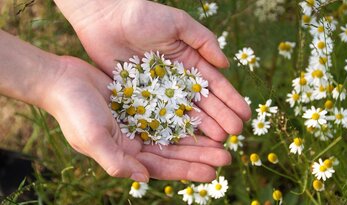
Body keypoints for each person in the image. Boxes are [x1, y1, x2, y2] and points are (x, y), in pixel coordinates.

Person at [0, 0, 251, 182]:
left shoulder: (157, 95)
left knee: (24, 177)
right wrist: (49, 82)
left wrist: (99, 9)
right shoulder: (138, 100)